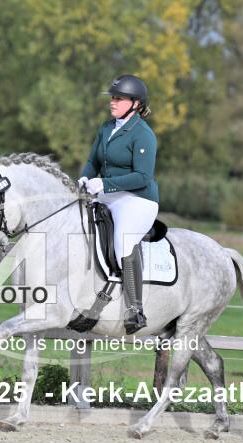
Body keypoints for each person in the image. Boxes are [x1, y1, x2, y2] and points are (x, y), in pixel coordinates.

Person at [78, 74, 159, 334]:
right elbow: (92, 161)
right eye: (113, 98)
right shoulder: (106, 128)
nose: (113, 102)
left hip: (137, 199)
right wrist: (85, 177)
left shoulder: (143, 135)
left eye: (119, 98)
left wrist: (105, 184)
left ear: (136, 103)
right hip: (108, 193)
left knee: (123, 240)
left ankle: (135, 309)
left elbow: (142, 176)